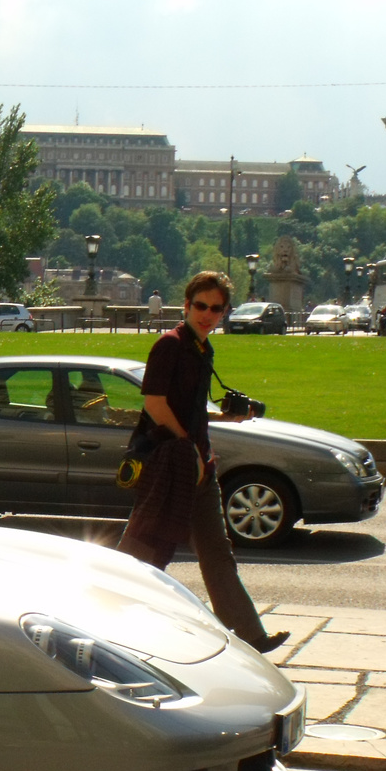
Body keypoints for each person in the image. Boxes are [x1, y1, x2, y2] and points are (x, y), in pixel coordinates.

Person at [117, 270, 289, 654]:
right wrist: (188, 448)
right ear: (186, 305)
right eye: (200, 306)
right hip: (170, 463)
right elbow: (155, 404)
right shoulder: (170, 345)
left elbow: (188, 411)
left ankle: (250, 635)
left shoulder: (201, 348)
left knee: (215, 552)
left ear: (225, 311)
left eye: (216, 308)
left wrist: (227, 419)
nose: (207, 314)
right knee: (145, 549)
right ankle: (107, 618)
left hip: (197, 466)